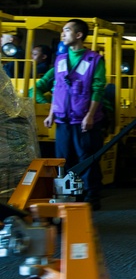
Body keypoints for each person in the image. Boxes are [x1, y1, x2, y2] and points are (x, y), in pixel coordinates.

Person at [34, 20, 108, 209]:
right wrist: (51, 112)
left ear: (78, 35)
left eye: (66, 30)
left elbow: (98, 89)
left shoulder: (94, 60)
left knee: (86, 159)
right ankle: (66, 197)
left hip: (84, 120)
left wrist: (90, 115)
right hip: (63, 119)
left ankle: (91, 199)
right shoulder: (60, 61)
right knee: (63, 160)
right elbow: (57, 88)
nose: (62, 34)